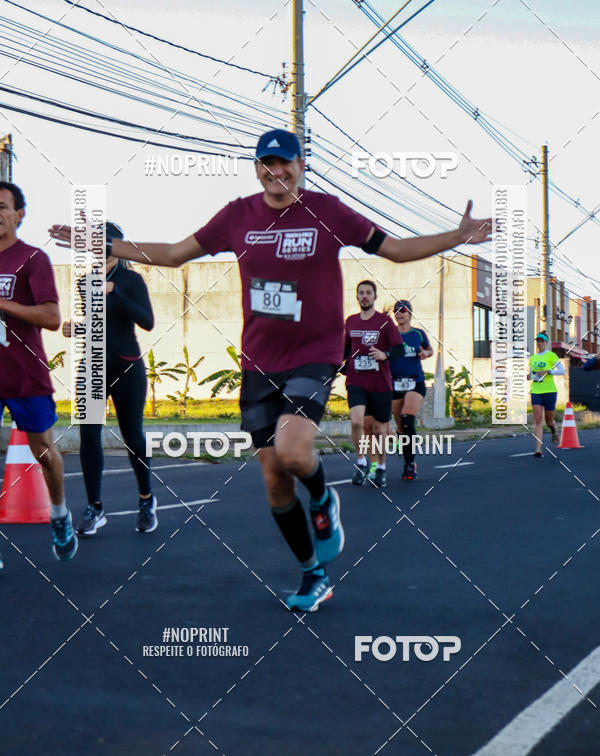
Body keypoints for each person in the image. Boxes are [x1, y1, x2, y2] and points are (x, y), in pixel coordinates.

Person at [49, 128, 492, 612]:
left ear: (302, 165)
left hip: (313, 354)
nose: (274, 171)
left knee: (294, 451)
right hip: (259, 361)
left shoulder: (328, 210)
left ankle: (324, 501)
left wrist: (457, 236)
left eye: (284, 162)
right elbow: (174, 254)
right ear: (257, 168)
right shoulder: (238, 215)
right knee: (274, 478)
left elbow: (394, 249)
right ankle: (312, 573)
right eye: (265, 163)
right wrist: (106, 245)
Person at [0, 181, 77, 562]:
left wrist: (4, 304)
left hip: (24, 373)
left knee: (43, 451)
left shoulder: (32, 259)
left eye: (2, 206)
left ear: (19, 214)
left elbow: (50, 317)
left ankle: (60, 513)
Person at [63, 223, 156, 535]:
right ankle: (95, 508)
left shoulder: (132, 280)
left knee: (133, 437)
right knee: (89, 436)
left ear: (116, 245)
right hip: (93, 366)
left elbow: (147, 322)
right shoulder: (85, 282)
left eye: (103, 241)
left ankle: (146, 500)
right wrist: (76, 328)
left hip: (127, 366)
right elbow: (97, 327)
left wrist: (116, 292)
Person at [345, 281, 403, 489]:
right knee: (357, 421)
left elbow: (399, 350)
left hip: (380, 384)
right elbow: (344, 350)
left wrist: (384, 354)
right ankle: (361, 462)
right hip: (356, 381)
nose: (365, 296)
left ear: (375, 296)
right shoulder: (350, 322)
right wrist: (339, 366)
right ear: (357, 296)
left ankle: (380, 468)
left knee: (378, 429)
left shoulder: (385, 322)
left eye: (368, 293)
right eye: (361, 293)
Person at [389, 299, 433, 480]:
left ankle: (409, 464)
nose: (399, 314)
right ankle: (407, 456)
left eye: (403, 311)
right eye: (396, 311)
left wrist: (425, 354)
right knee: (401, 427)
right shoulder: (389, 334)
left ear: (410, 314)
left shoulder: (418, 334)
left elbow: (429, 350)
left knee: (407, 419)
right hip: (394, 384)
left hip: (415, 382)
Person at [528, 331, 564, 457]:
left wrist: (548, 371)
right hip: (536, 390)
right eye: (537, 340)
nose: (539, 343)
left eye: (542, 340)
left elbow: (562, 371)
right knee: (538, 419)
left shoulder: (551, 356)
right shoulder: (532, 358)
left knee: (549, 421)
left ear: (546, 342)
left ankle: (553, 429)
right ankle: (538, 449)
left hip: (549, 391)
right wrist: (529, 376)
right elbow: (530, 374)